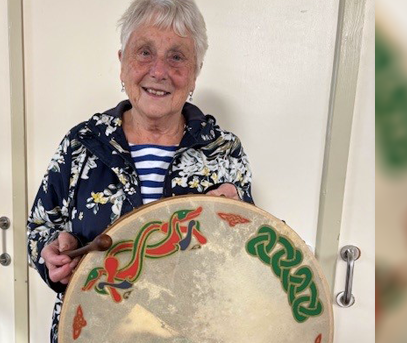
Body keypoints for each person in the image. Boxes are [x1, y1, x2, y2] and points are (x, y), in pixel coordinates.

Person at [26, 0, 253, 341]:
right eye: (144, 52)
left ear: (195, 72)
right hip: (91, 333)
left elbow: (250, 257)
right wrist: (51, 253)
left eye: (177, 56)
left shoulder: (223, 151)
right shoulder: (82, 144)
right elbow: (39, 229)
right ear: (122, 64)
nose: (159, 71)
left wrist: (238, 222)